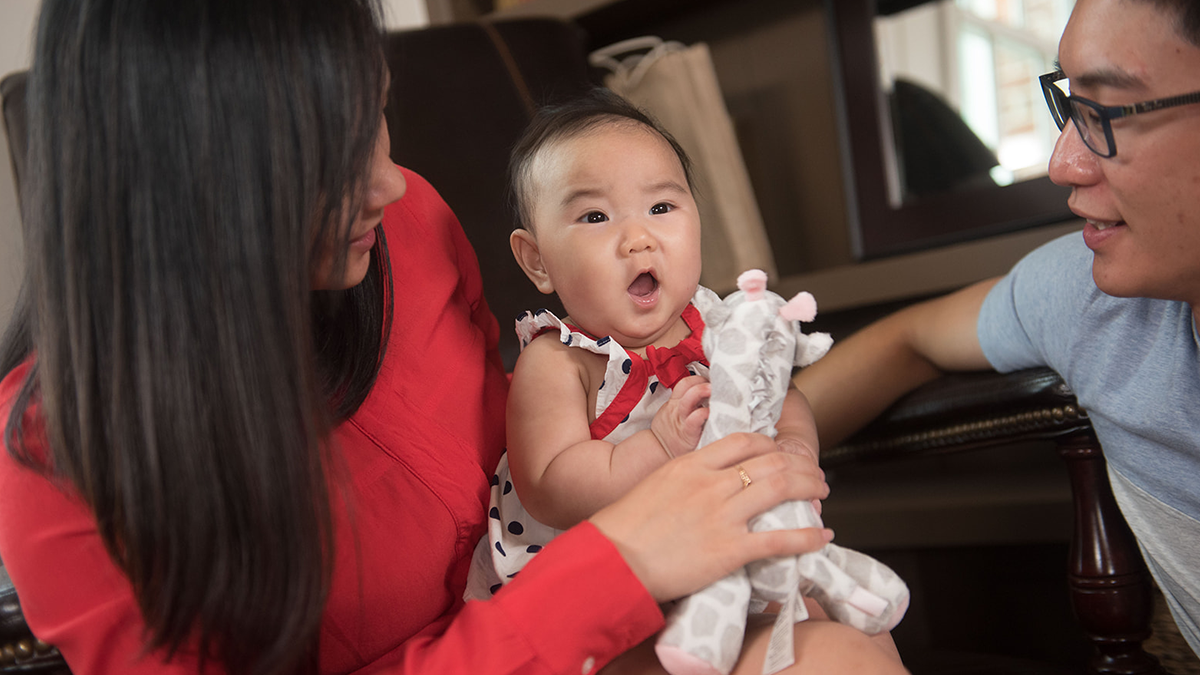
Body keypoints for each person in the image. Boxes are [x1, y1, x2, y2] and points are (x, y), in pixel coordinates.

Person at [0, 2, 906, 674]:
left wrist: (812, 407)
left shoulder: (410, 228)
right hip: (564, 617)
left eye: (378, 114)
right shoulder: (58, 457)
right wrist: (619, 560)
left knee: (843, 650)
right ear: (190, 175)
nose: (387, 182)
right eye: (326, 145)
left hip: (601, 628)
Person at [794, 0, 1200, 657]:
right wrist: (730, 471)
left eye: (1105, 111)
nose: (1064, 163)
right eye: (1072, 105)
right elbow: (909, 339)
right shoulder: (1093, 298)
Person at [463, 90, 822, 596]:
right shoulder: (560, 359)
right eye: (595, 217)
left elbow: (782, 396)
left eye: (660, 206)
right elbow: (548, 484)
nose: (638, 238)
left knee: (830, 612)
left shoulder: (717, 324)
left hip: (719, 540)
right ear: (538, 260)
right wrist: (657, 447)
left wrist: (794, 445)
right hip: (600, 573)